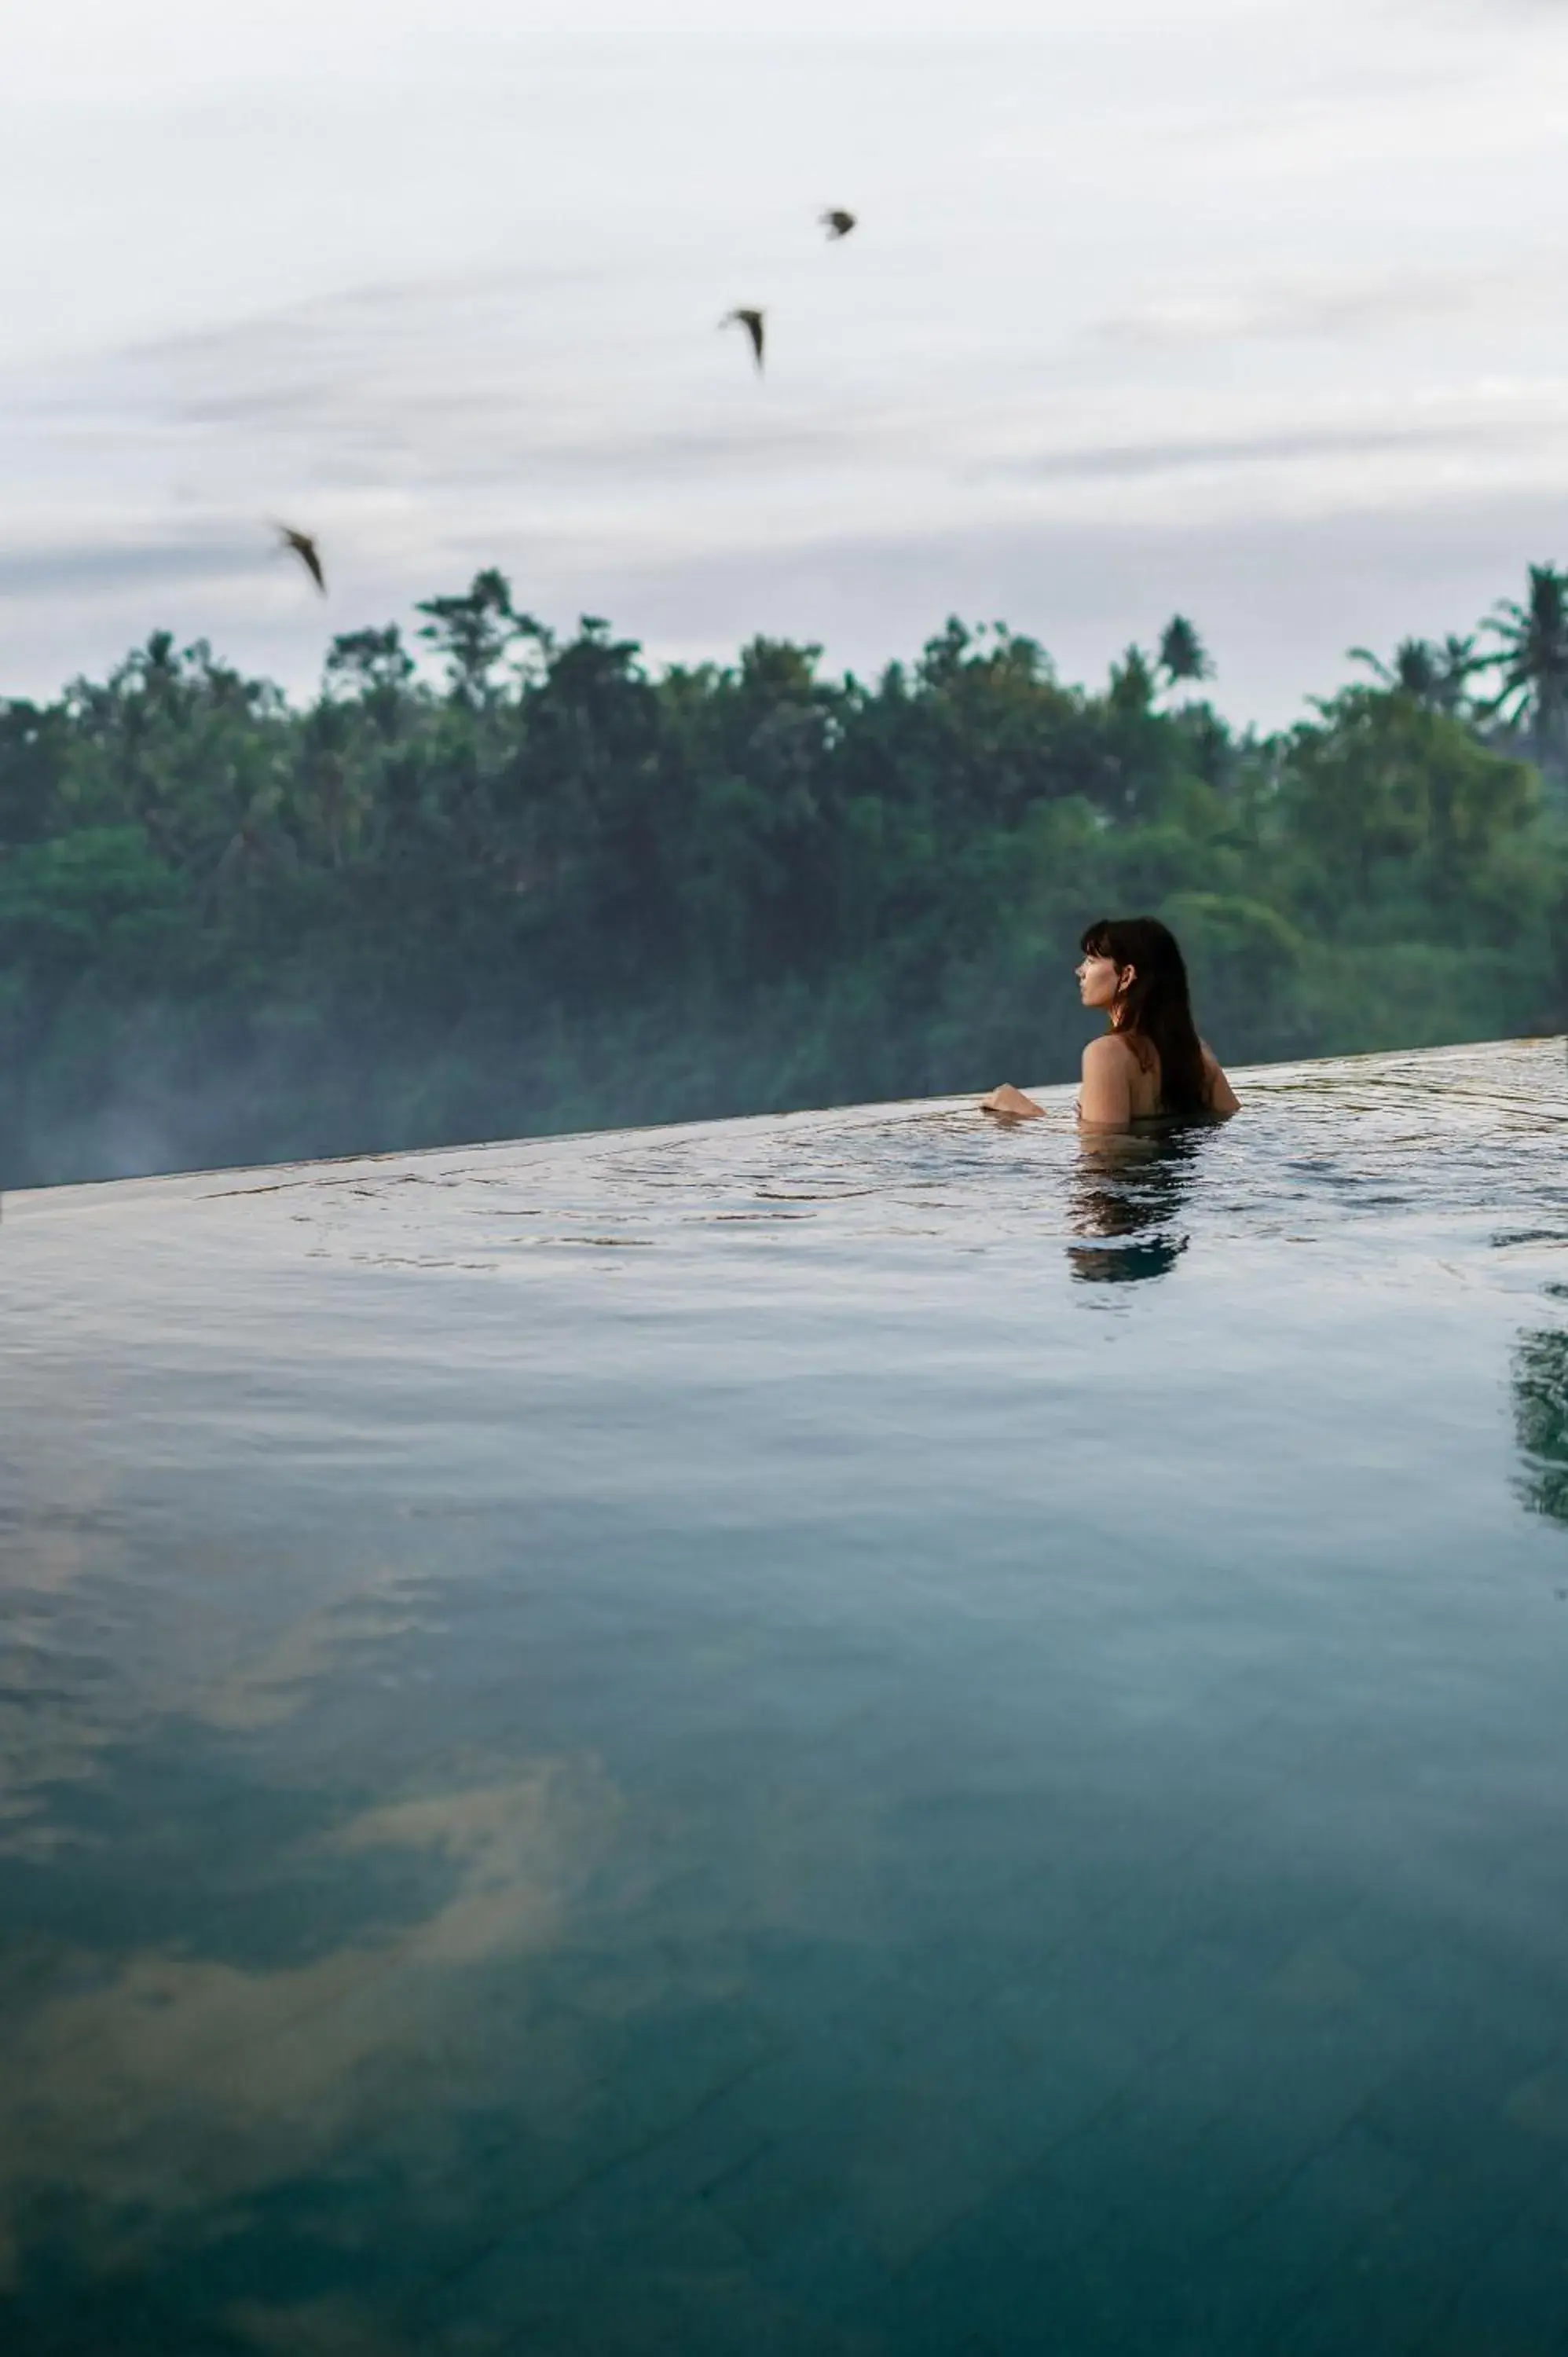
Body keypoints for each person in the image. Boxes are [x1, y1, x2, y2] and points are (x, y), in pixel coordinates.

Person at [981, 916, 1240, 1127]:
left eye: (1092, 961)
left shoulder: (1106, 1054)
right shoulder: (1196, 1052)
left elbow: (1104, 1157)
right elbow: (1232, 1123)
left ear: (1126, 976)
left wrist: (1027, 1114)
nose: (1080, 971)